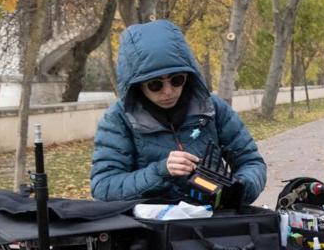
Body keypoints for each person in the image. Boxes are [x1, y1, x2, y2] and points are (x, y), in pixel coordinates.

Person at [91, 20, 266, 203]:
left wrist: (240, 189)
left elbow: (251, 162)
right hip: (151, 226)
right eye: (155, 84)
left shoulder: (213, 107)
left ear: (188, 76)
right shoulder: (118, 119)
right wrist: (160, 171)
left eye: (176, 80)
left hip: (211, 221)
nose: (168, 91)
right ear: (137, 86)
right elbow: (103, 186)